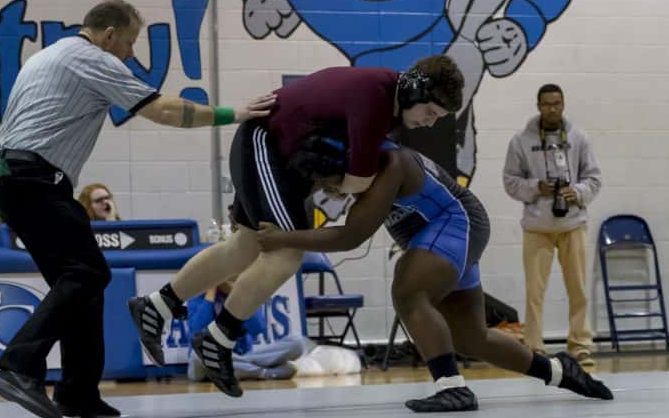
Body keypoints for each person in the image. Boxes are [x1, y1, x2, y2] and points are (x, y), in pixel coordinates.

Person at [0, 0, 274, 418]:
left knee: (82, 282)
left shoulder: (51, 53)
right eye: (131, 42)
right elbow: (164, 110)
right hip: (31, 177)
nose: (132, 53)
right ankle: (19, 366)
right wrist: (237, 113)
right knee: (88, 273)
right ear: (109, 34)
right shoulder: (92, 58)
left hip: (9, 176)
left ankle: (77, 393)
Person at [128, 54, 465, 397]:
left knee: (244, 247)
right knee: (286, 253)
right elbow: (357, 182)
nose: (430, 122)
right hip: (267, 144)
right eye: (431, 113)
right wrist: (344, 185)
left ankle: (156, 306)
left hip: (279, 155)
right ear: (415, 94)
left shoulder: (387, 95)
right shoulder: (376, 100)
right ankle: (218, 338)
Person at [254, 138, 613, 412]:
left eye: (330, 183)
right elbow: (325, 208)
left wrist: (279, 239)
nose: (330, 191)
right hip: (447, 234)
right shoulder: (359, 167)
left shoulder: (391, 163)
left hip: (457, 224)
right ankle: (559, 371)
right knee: (472, 339)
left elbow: (349, 236)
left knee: (408, 291)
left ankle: (451, 386)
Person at [503, 84, 602, 366]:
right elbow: (510, 182)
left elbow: (594, 178)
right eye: (547, 104)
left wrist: (578, 192)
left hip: (572, 224)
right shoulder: (520, 141)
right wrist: (537, 187)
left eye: (557, 103)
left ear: (563, 104)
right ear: (538, 105)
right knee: (535, 293)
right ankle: (534, 348)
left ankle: (580, 346)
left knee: (578, 289)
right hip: (537, 227)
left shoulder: (579, 138)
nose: (552, 109)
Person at [187, 280, 304, 382]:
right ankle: (261, 372)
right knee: (198, 353)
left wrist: (235, 294)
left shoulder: (244, 291)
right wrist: (210, 293)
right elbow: (198, 331)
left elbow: (257, 327)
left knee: (297, 342)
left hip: (240, 356)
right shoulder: (197, 294)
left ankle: (242, 369)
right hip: (207, 365)